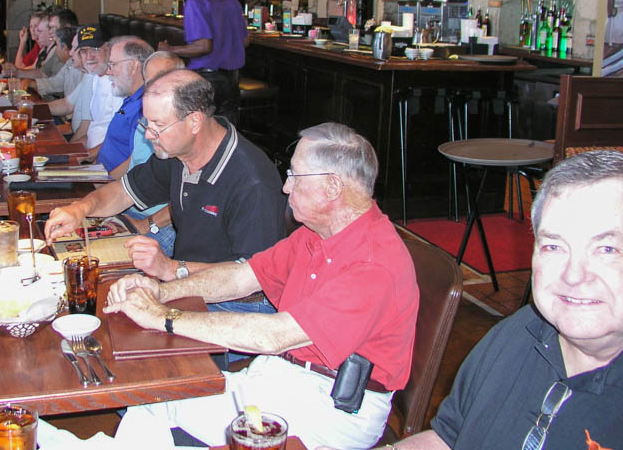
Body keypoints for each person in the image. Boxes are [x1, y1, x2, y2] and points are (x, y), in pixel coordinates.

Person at [103, 123, 419, 450]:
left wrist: (162, 317)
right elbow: (241, 277)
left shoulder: (374, 265)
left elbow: (273, 335)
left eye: (295, 175)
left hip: (329, 408)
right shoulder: (316, 234)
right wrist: (163, 291)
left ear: (332, 187)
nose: (285, 187)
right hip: (283, 378)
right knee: (148, 403)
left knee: (153, 417)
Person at [355, 150, 623, 450]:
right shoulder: (517, 334)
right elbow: (446, 438)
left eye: (607, 249)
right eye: (553, 246)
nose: (573, 275)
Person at [45, 70, 286, 314]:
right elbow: (123, 192)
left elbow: (254, 279)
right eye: (147, 123)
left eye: (158, 125)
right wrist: (80, 210)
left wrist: (172, 269)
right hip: (184, 285)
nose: (148, 135)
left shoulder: (252, 182)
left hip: (238, 304)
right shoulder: (178, 152)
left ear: (194, 121)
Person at [111, 50, 186, 256]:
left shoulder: (183, 128)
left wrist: (146, 224)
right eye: (151, 80)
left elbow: (186, 199)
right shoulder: (147, 116)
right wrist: (104, 186)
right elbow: (133, 161)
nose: (155, 87)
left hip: (160, 224)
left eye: (164, 78)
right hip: (132, 208)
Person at [157, 0, 248, 123]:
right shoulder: (232, 1)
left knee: (203, 133)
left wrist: (170, 50)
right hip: (233, 79)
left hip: (207, 80)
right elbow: (245, 41)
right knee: (227, 132)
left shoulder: (196, 2)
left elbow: (204, 46)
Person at [96, 36, 153, 172]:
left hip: (109, 185)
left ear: (133, 66)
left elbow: (135, 162)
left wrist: (103, 183)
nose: (108, 71)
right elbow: (113, 142)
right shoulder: (130, 99)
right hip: (97, 173)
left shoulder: (145, 107)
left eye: (113, 65)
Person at [29, 25, 81, 101]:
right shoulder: (69, 63)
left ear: (65, 48)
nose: (71, 53)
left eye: (56, 44)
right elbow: (54, 84)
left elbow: (69, 106)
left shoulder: (82, 69)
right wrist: (32, 83)